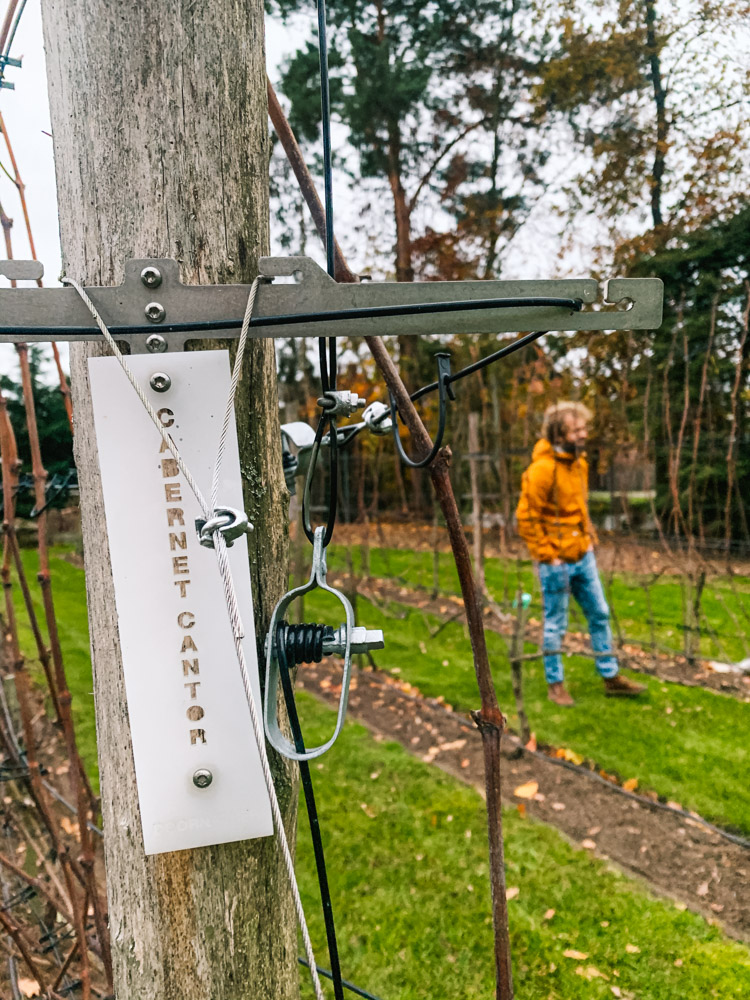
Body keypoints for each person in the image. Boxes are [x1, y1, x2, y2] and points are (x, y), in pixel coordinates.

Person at [516, 401, 645, 706]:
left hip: (582, 556)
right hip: (555, 563)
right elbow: (526, 516)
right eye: (577, 430)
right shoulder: (542, 470)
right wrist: (548, 554)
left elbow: (580, 506)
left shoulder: (580, 463)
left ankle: (610, 675)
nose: (584, 434)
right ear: (559, 433)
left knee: (599, 613)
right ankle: (555, 683)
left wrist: (589, 537)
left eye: (584, 428)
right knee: (555, 624)